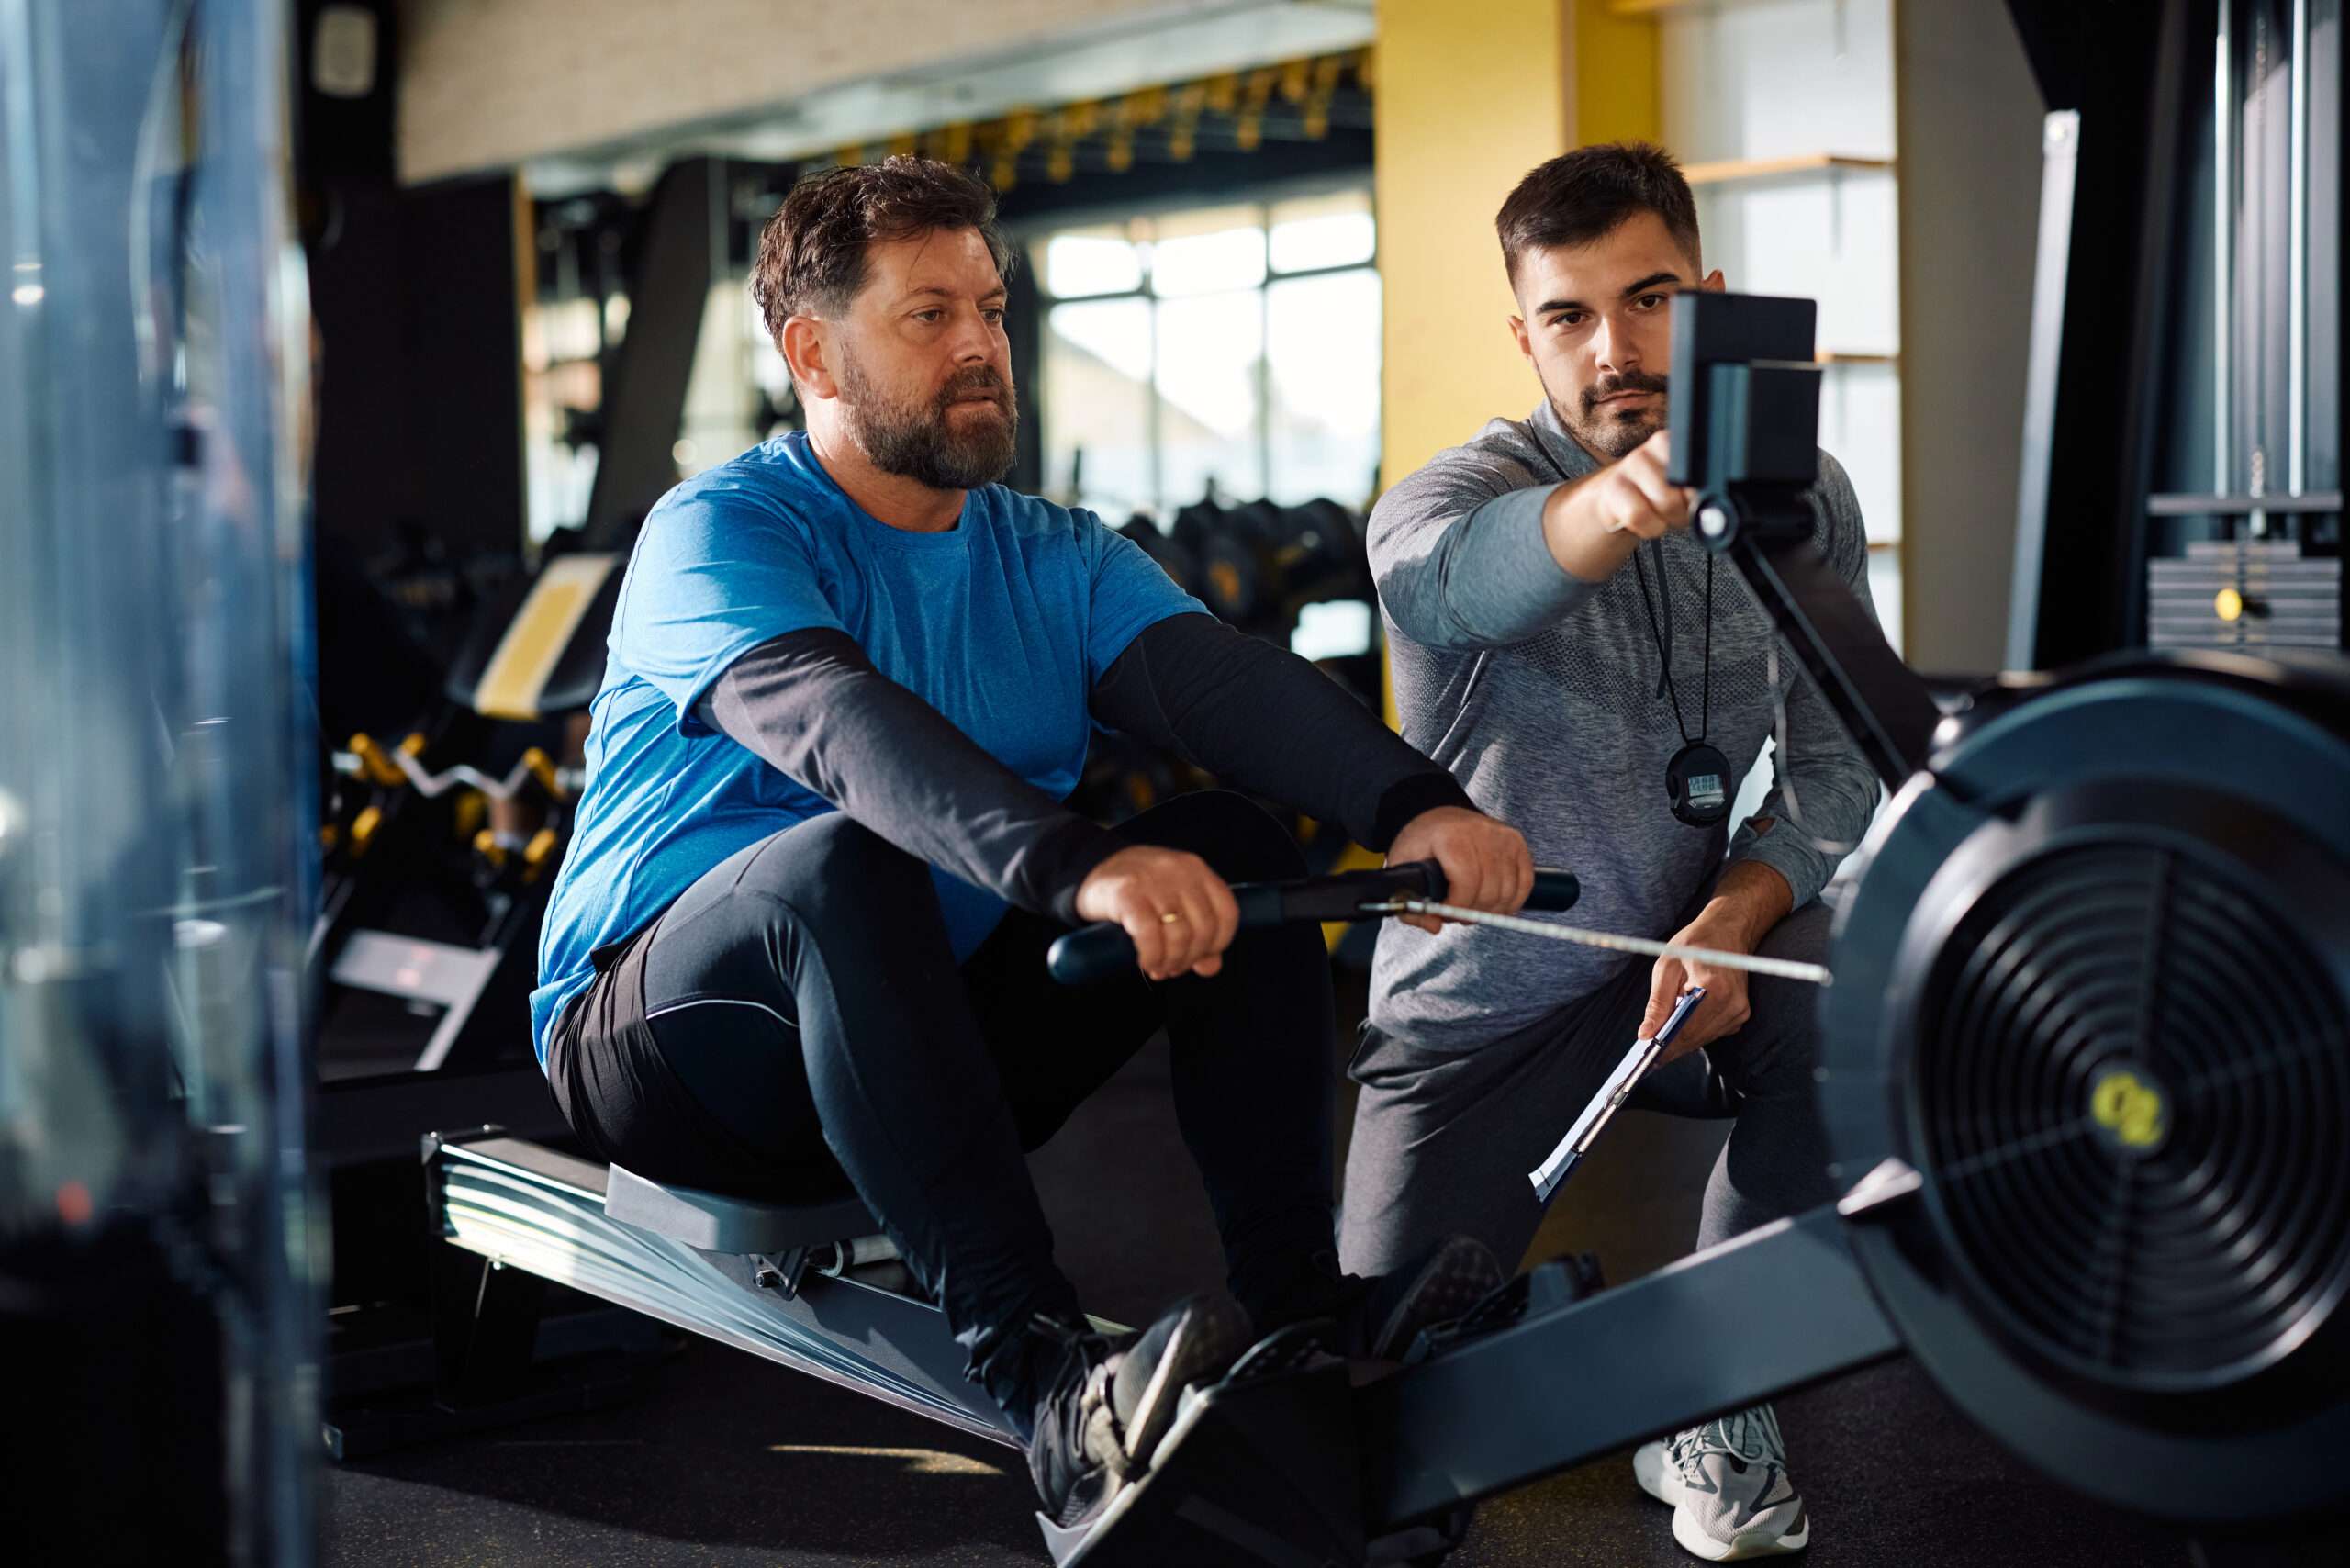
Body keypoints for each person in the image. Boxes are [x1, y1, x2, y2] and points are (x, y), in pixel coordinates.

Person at [530, 156, 1532, 1542]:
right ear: (812, 353)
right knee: (837, 863)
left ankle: (1304, 1315)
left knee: (1230, 843)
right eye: (929, 315)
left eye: (992, 310)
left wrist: (1417, 806)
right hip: (671, 1055)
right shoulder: (720, 530)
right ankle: (1045, 1386)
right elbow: (835, 725)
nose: (981, 346)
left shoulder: (1049, 553)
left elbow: (1219, 688)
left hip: (920, 1038)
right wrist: (1075, 867)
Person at [1341, 142, 1883, 1562]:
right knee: (1372, 1435)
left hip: (1687, 969)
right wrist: (1630, 496)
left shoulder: (1799, 491)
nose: (1614, 350)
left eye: (1649, 302)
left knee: (1856, 1003)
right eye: (1568, 316)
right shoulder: (1437, 503)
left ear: (1710, 300)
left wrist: (1740, 911)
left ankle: (1712, 1396)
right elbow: (1467, 589)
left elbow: (1840, 757)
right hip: (1482, 1008)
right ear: (1522, 338)